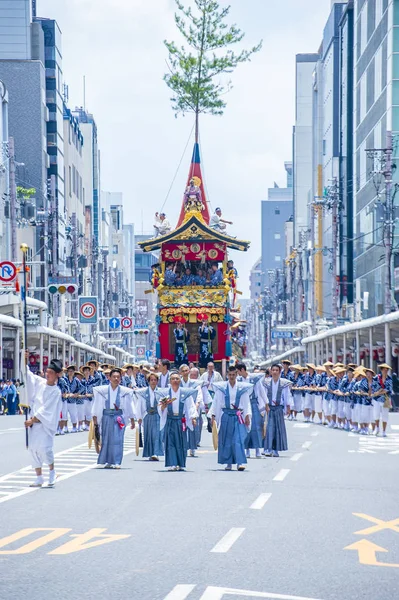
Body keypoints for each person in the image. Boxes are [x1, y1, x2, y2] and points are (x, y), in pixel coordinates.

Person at [25, 359, 63, 487]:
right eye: (47, 372)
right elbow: (28, 375)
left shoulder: (56, 392)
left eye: (51, 372)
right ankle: (39, 477)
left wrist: (32, 420)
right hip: (34, 424)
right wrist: (24, 361)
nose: (48, 374)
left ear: (57, 374)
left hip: (45, 425)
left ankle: (52, 472)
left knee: (45, 449)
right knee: (33, 449)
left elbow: (46, 410)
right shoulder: (40, 383)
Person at [91, 368, 136, 468]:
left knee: (118, 439)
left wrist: (132, 419)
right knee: (106, 438)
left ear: (120, 379)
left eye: (118, 377)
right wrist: (95, 417)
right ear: (109, 378)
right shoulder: (102, 391)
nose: (116, 379)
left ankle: (116, 461)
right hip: (106, 416)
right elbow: (97, 404)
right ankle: (108, 461)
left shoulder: (125, 391)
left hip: (118, 417)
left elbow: (129, 405)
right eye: (114, 377)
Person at [210, 365, 252, 471]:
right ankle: (228, 463)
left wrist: (247, 415)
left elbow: (246, 403)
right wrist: (213, 415)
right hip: (226, 415)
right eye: (230, 375)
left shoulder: (242, 388)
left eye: (234, 375)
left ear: (237, 375)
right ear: (227, 375)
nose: (232, 377)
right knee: (226, 439)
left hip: (238, 416)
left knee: (238, 439)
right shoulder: (222, 388)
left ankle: (240, 462)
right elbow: (216, 402)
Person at [159, 371, 198, 471]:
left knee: (181, 443)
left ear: (180, 380)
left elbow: (190, 406)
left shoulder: (185, 393)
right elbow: (160, 408)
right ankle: (172, 463)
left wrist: (193, 417)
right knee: (170, 443)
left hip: (181, 420)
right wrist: (163, 407)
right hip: (170, 420)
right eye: (173, 379)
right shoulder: (165, 393)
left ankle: (180, 463)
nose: (175, 381)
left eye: (177, 379)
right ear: (170, 381)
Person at [237, 363, 267, 459]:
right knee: (245, 427)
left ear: (242, 370)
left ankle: (258, 449)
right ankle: (247, 450)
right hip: (243, 405)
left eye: (238, 371)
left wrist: (266, 403)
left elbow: (261, 391)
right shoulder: (239, 380)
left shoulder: (254, 379)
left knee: (256, 426)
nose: (237, 373)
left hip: (254, 404)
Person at [135, 373, 166, 461]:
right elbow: (139, 405)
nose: (153, 382)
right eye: (151, 380)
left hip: (157, 414)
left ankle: (155, 453)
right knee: (148, 435)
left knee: (157, 434)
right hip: (147, 415)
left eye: (155, 380)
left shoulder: (161, 392)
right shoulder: (143, 392)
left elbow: (162, 404)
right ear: (148, 381)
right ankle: (149, 453)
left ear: (157, 381)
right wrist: (139, 417)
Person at [263, 364, 292, 457]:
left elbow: (287, 395)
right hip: (270, 408)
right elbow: (264, 395)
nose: (275, 372)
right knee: (269, 428)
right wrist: (266, 405)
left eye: (277, 370)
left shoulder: (284, 383)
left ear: (280, 372)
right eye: (273, 370)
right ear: (271, 371)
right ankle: (268, 448)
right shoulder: (266, 383)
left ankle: (276, 449)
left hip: (279, 408)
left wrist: (288, 407)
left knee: (278, 429)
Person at [372, 363, 393, 437]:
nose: (386, 370)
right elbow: (373, 387)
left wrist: (379, 392)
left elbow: (388, 389)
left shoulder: (389, 379)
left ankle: (384, 431)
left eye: (387, 369)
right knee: (376, 414)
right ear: (381, 370)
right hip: (376, 399)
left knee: (385, 415)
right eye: (384, 369)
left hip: (385, 399)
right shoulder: (376, 378)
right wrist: (377, 392)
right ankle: (377, 428)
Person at [64, 365, 80, 433]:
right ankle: (65, 427)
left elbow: (80, 388)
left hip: (73, 400)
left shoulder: (76, 380)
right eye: (69, 371)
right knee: (64, 415)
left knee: (73, 414)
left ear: (74, 372)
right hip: (65, 399)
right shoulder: (64, 379)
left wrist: (77, 394)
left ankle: (74, 427)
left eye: (72, 371)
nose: (70, 373)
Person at [81, 365, 94, 429]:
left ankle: (88, 425)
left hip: (90, 398)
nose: (86, 372)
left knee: (89, 411)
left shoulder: (93, 379)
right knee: (83, 411)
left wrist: (91, 394)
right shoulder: (81, 380)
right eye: (85, 371)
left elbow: (95, 388)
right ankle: (84, 424)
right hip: (82, 398)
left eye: (88, 370)